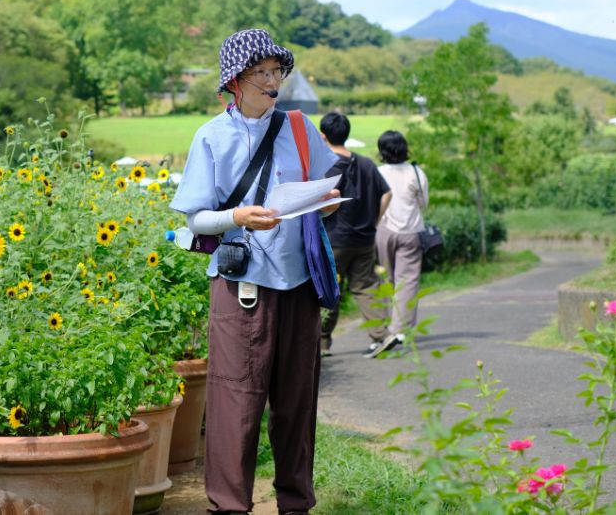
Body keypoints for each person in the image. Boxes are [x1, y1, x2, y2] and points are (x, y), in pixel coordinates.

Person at [170, 29, 339, 515]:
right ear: (235, 82)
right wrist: (238, 217)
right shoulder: (211, 137)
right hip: (241, 288)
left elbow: (324, 194)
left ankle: (295, 505)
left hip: (301, 285)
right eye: (261, 73)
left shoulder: (301, 129)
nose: (273, 81)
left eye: (277, 71)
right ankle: (229, 506)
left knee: (296, 402)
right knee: (235, 405)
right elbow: (196, 219)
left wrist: (324, 203)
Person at [318, 112, 392, 357]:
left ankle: (322, 343)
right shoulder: (367, 163)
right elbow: (387, 194)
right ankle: (381, 336)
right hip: (364, 239)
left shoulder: (326, 166)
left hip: (334, 239)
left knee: (330, 289)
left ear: (323, 136)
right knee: (366, 287)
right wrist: (375, 221)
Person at [372, 130, 429, 356]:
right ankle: (399, 330)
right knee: (407, 282)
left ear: (382, 150)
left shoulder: (378, 172)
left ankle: (387, 327)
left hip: (383, 230)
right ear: (405, 148)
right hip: (411, 231)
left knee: (386, 279)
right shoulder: (416, 172)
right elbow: (424, 203)